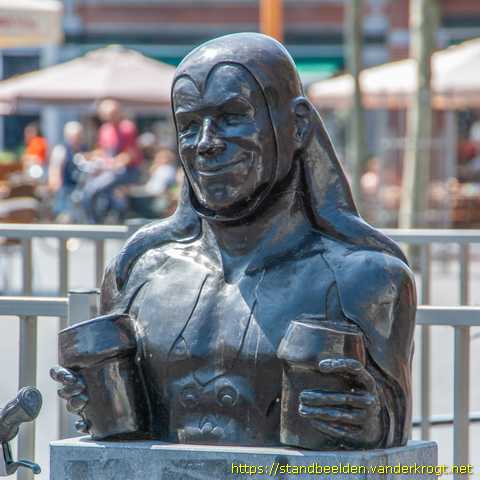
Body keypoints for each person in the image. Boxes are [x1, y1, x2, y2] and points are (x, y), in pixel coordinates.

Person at [52, 34, 416, 450]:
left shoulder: (368, 280)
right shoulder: (136, 272)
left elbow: (395, 434)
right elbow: (121, 436)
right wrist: (98, 403)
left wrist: (372, 423)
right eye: (189, 125)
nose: (206, 142)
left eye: (231, 116)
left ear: (297, 125)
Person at [82, 99, 143, 223]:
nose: (110, 117)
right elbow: (103, 151)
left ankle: (96, 223)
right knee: (89, 186)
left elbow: (131, 154)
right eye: (107, 114)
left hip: (128, 171)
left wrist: (116, 162)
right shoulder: (105, 129)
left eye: (113, 113)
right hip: (111, 171)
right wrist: (90, 156)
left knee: (93, 189)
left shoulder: (127, 128)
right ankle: (98, 221)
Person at [48, 122, 85, 221]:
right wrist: (55, 184)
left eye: (79, 136)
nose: (77, 139)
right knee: (64, 215)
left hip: (79, 189)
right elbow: (55, 168)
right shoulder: (61, 150)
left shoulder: (83, 149)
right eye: (75, 137)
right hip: (65, 188)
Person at [127, 147, 178, 218]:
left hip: (157, 201)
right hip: (155, 199)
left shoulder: (165, 170)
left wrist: (133, 191)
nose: (156, 160)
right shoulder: (165, 169)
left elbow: (156, 190)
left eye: (159, 158)